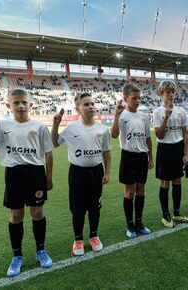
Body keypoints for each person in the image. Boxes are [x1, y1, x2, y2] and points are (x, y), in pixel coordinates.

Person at [0, 89, 53, 277]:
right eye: (16, 102)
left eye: (24, 102)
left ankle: (41, 250)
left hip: (35, 173)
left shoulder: (39, 127)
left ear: (31, 104)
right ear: (9, 105)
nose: (21, 106)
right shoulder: (2, 124)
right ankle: (17, 256)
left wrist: (48, 178)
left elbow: (48, 153)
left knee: (37, 211)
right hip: (14, 173)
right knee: (16, 214)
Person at [51, 92, 111, 255]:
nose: (91, 106)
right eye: (86, 104)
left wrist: (107, 172)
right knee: (78, 208)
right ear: (78, 109)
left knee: (94, 207)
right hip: (77, 172)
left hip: (96, 172)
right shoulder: (71, 128)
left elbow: (106, 151)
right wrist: (56, 125)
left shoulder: (102, 128)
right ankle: (78, 240)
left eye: (92, 103)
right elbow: (54, 143)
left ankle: (93, 236)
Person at [110, 84, 153, 238]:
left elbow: (148, 138)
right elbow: (114, 135)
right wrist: (116, 115)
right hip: (128, 157)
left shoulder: (144, 116)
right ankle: (130, 224)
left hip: (142, 157)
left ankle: (139, 222)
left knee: (141, 190)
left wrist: (150, 158)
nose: (137, 101)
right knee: (129, 192)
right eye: (134, 98)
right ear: (125, 98)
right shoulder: (122, 116)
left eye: (139, 98)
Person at [153, 80, 188, 228]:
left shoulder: (181, 111)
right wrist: (166, 117)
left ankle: (176, 212)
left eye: (173, 92)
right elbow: (159, 135)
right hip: (164, 148)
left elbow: (185, 134)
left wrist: (186, 153)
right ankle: (165, 214)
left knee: (177, 181)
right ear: (162, 94)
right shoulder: (157, 112)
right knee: (165, 182)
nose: (171, 95)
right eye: (168, 92)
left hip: (177, 148)